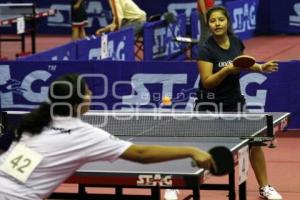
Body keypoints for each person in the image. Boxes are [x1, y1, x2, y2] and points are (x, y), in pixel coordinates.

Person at [0, 74, 214, 199]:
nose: (91, 95)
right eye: (87, 92)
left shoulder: (33, 121)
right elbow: (140, 153)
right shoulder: (82, 134)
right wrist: (190, 150)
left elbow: (18, 166)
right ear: (77, 103)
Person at [194, 6, 282, 200]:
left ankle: (264, 187)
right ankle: (174, 185)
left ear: (227, 22)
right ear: (208, 25)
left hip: (234, 103)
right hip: (209, 106)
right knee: (197, 147)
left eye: (220, 20)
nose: (217, 24)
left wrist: (260, 67)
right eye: (212, 21)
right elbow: (207, 83)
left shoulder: (236, 42)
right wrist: (227, 70)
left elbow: (242, 63)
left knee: (255, 143)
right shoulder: (206, 50)